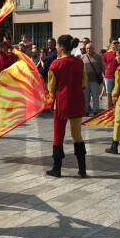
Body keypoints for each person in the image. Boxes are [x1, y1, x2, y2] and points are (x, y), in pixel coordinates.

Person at [46, 35, 87, 178]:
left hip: (61, 103)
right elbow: (83, 84)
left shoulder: (55, 65)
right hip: (77, 101)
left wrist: (49, 101)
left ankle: (56, 169)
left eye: (57, 46)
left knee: (58, 135)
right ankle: (82, 169)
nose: (56, 48)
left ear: (62, 47)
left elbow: (51, 89)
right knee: (77, 135)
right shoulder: (80, 63)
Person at [82, 42, 104, 116]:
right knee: (86, 97)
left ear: (93, 49)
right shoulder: (82, 57)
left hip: (95, 80)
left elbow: (103, 67)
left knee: (95, 96)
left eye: (90, 48)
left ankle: (95, 111)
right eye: (87, 48)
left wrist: (104, 78)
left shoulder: (98, 57)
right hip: (85, 81)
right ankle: (86, 111)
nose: (88, 49)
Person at [102, 40, 119, 109]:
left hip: (118, 76)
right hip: (108, 76)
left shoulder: (119, 53)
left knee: (117, 93)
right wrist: (103, 75)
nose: (116, 44)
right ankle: (109, 109)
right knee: (109, 93)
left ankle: (116, 108)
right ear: (111, 44)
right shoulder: (106, 54)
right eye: (114, 43)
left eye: (117, 43)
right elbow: (103, 65)